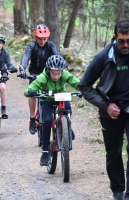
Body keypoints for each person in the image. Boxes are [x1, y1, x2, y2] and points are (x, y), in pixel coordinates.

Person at [78, 19, 129, 200]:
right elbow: (84, 86)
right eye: (122, 41)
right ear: (115, 37)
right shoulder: (104, 57)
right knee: (113, 153)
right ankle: (117, 192)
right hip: (110, 113)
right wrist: (106, 106)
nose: (125, 45)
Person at [24, 55, 79, 166]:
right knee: (48, 120)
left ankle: (67, 127)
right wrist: (31, 92)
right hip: (46, 99)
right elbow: (29, 89)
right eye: (54, 73)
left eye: (58, 73)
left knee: (67, 110)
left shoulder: (64, 74)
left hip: (60, 97)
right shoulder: (42, 77)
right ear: (48, 70)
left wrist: (84, 89)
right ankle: (45, 151)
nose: (56, 76)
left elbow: (76, 82)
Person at [19, 24, 60, 134]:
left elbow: (58, 57)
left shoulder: (51, 46)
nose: (42, 41)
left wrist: (63, 67)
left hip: (48, 73)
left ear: (48, 38)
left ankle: (60, 119)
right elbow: (26, 57)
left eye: (44, 39)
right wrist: (22, 68)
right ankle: (32, 119)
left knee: (55, 93)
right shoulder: (31, 46)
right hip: (35, 73)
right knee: (33, 95)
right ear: (35, 38)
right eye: (39, 39)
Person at [0, 34, 18, 119]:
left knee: (3, 87)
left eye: (0, 43)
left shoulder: (6, 54)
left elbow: (9, 64)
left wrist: (12, 68)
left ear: (3, 45)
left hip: (2, 74)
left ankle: (3, 110)